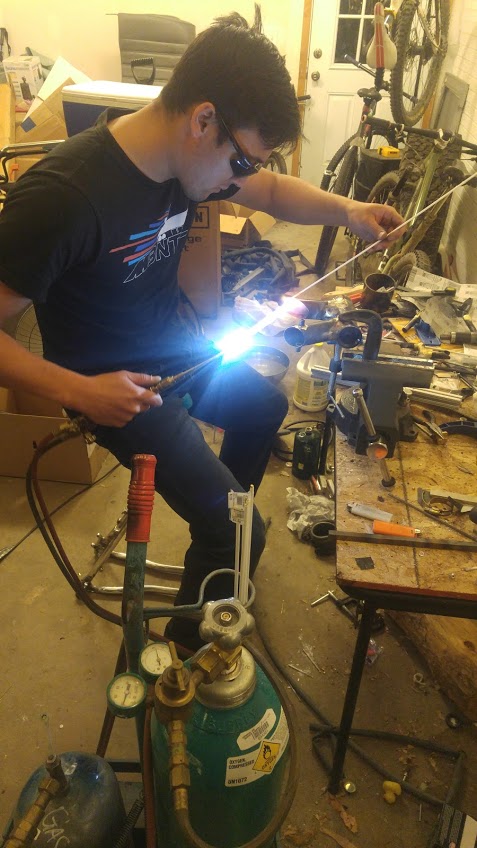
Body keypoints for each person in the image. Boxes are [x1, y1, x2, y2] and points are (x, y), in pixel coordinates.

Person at [0, 10, 404, 650]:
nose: (239, 182)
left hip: (175, 353)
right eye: (240, 162)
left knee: (264, 408)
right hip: (116, 391)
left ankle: (220, 541)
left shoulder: (186, 162)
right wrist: (81, 393)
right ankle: (189, 652)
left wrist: (349, 209)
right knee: (243, 531)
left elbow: (272, 192)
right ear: (202, 120)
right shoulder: (63, 198)